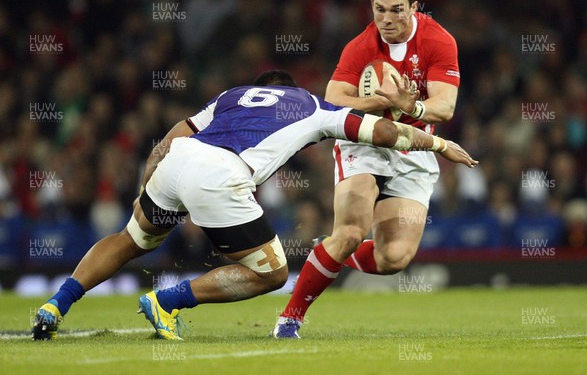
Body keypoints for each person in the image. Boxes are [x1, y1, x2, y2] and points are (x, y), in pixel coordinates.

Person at [31, 70, 476, 341]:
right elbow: (381, 133)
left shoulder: (231, 96)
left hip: (178, 163)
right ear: (291, 91)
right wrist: (438, 142)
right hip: (220, 176)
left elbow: (172, 136)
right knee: (274, 273)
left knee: (131, 239)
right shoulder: (313, 107)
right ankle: (167, 302)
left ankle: (55, 304)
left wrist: (148, 181)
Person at [273, 0, 462, 338]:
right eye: (379, 10)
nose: (387, 20)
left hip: (414, 145)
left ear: (414, 7)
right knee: (351, 230)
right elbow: (332, 100)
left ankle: (328, 252)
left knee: (393, 259)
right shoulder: (361, 46)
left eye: (396, 10)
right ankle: (290, 319)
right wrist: (376, 102)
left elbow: (446, 107)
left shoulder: (439, 41)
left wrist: (413, 106)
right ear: (371, 6)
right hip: (365, 141)